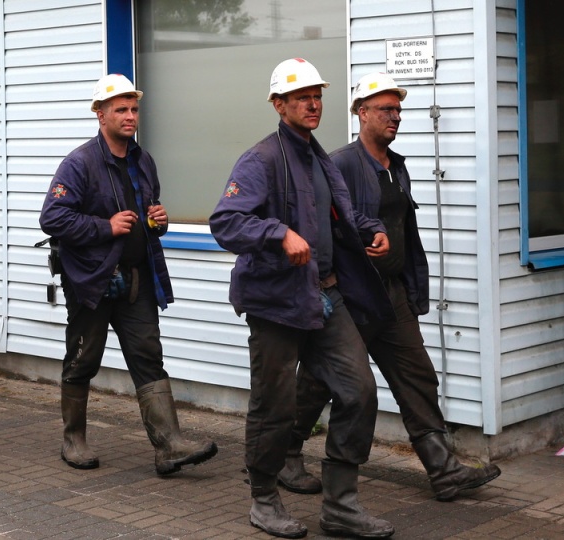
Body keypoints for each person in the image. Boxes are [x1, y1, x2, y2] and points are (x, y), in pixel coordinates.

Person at [278, 72, 501, 503]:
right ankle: (286, 453)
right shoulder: (340, 163)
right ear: (361, 113)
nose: (394, 117)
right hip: (352, 294)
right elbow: (320, 227)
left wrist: (415, 286)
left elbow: (406, 231)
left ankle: (443, 468)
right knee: (322, 380)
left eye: (397, 110)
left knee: (417, 374)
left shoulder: (395, 165)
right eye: (385, 109)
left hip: (392, 292)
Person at [210, 58, 396, 539]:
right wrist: (278, 233)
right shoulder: (261, 159)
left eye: (317, 95)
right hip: (276, 302)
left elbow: (343, 213)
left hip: (326, 296)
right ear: (279, 105)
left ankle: (341, 505)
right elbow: (226, 221)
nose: (313, 103)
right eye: (301, 97)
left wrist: (371, 230)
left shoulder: (319, 157)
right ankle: (264, 500)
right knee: (274, 404)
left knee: (359, 392)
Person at [39, 74, 218, 476]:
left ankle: (169, 446)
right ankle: (74, 440)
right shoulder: (79, 162)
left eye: (134, 108)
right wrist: (105, 227)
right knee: (84, 359)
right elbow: (52, 218)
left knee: (148, 358)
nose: (130, 115)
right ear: (100, 115)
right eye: (120, 109)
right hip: (92, 282)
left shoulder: (143, 160)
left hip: (136, 280)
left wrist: (160, 220)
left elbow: (148, 216)